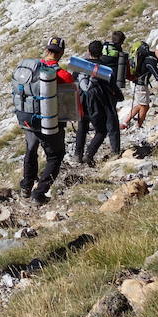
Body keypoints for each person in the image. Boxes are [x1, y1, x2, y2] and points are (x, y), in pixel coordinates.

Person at [20, 37, 74, 205]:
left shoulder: (31, 70)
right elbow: (69, 104)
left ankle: (26, 186)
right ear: (62, 53)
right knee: (55, 156)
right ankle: (39, 193)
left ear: (46, 50)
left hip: (29, 119)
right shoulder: (64, 75)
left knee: (31, 150)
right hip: (50, 122)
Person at [73, 40, 113, 166]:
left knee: (82, 128)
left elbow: (73, 80)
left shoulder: (80, 65)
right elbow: (111, 87)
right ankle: (89, 154)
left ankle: (77, 154)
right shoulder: (104, 69)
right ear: (101, 53)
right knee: (101, 131)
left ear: (88, 52)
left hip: (81, 101)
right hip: (96, 104)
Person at [123, 39, 158, 129]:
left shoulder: (150, 55)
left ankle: (125, 123)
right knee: (144, 106)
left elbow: (149, 69)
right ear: (156, 50)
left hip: (137, 83)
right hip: (139, 85)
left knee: (141, 105)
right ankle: (138, 126)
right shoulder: (151, 61)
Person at [96, 30, 126, 156]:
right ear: (122, 41)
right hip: (111, 92)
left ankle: (81, 152)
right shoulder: (120, 55)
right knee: (112, 120)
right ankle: (115, 150)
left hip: (96, 90)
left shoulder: (102, 50)